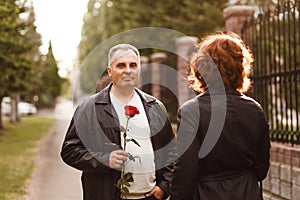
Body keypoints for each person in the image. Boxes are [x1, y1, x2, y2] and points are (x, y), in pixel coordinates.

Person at [61, 44, 175, 200]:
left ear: (138, 70)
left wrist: (164, 187)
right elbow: (69, 150)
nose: (128, 70)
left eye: (133, 65)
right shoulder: (89, 108)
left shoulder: (155, 106)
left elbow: (172, 152)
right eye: (121, 65)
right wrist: (103, 159)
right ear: (110, 71)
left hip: (149, 197)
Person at [170, 32, 270, 200]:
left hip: (206, 193)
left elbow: (185, 169)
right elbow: (261, 169)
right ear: (240, 67)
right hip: (247, 192)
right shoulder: (255, 110)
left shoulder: (191, 111)